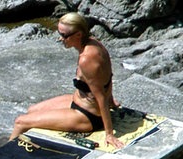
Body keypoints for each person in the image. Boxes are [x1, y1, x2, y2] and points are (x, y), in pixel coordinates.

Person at [9, 12, 125, 149]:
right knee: (31, 111)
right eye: (59, 33)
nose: (60, 39)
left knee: (20, 122)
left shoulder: (86, 59)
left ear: (78, 35)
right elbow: (107, 76)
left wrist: (109, 134)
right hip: (78, 102)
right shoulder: (94, 43)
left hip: (88, 116)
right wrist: (111, 101)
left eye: (64, 35)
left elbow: (100, 96)